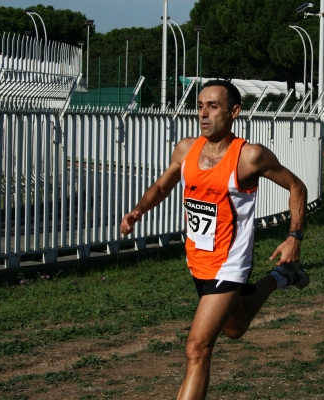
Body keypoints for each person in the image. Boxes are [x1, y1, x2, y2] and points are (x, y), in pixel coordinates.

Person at [120, 80, 309, 399]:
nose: (203, 113)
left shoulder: (249, 156)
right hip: (198, 260)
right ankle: (281, 277)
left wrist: (294, 236)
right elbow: (163, 186)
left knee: (197, 348)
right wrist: (138, 211)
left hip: (230, 264)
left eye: (213, 106)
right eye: (200, 106)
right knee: (234, 329)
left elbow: (297, 187)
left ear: (234, 111)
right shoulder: (186, 148)